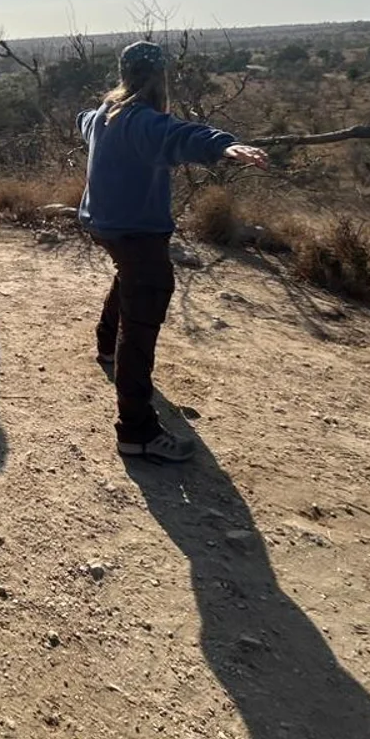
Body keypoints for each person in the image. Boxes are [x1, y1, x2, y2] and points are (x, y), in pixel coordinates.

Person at [78, 43, 268, 463]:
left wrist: (89, 119)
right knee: (142, 319)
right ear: (158, 78)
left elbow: (83, 119)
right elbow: (180, 135)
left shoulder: (103, 116)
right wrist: (223, 146)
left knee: (129, 277)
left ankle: (106, 345)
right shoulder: (143, 120)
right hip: (136, 232)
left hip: (104, 226)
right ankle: (136, 431)